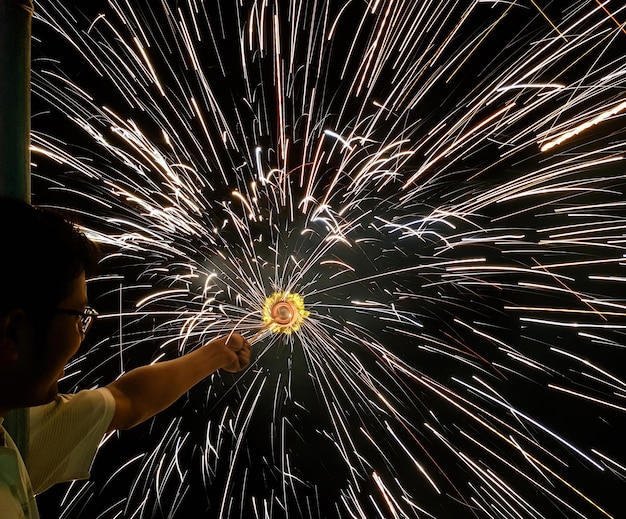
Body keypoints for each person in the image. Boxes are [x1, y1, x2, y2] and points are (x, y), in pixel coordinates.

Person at [0, 197, 252, 518]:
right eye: (79, 317)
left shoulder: (16, 433)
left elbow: (126, 399)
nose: (82, 334)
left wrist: (216, 354)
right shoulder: (22, 438)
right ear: (13, 331)